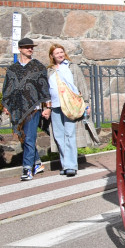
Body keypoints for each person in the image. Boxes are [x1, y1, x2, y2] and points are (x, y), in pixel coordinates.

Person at [2, 38, 51, 181]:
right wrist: (7, 106)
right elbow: (8, 88)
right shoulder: (13, 69)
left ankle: (27, 169)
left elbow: (44, 87)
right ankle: (37, 164)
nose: (30, 49)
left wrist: (47, 107)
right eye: (27, 47)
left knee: (30, 137)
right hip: (17, 109)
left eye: (31, 47)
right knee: (24, 138)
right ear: (20, 49)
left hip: (33, 108)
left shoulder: (38, 67)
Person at [46, 44, 88, 177]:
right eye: (57, 53)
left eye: (61, 52)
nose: (60, 54)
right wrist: (47, 106)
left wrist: (86, 103)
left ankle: (71, 165)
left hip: (70, 105)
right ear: (52, 55)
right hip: (55, 106)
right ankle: (65, 164)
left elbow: (82, 85)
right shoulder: (50, 70)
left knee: (69, 134)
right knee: (59, 136)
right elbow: (46, 89)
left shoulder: (72, 67)